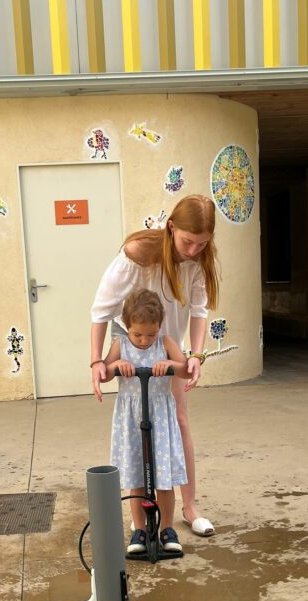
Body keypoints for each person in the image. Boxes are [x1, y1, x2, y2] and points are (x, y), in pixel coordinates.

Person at [91, 194, 220, 537]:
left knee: (179, 419)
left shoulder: (199, 260)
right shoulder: (137, 255)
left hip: (169, 347)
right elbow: (101, 311)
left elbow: (199, 310)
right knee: (138, 426)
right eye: (188, 241)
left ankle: (188, 508)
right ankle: (139, 517)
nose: (193, 250)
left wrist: (196, 355)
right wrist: (96, 361)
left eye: (202, 243)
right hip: (135, 342)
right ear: (171, 227)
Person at [101, 289, 190, 555]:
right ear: (126, 326)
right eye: (137, 334)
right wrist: (117, 366)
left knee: (163, 477)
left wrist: (169, 364)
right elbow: (104, 373)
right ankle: (139, 529)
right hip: (131, 418)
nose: (144, 340)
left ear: (159, 327)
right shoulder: (120, 345)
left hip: (160, 416)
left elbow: (185, 369)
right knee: (136, 474)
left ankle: (167, 528)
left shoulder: (166, 343)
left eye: (150, 334)